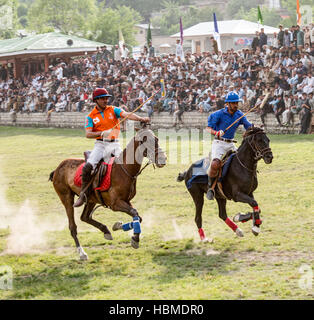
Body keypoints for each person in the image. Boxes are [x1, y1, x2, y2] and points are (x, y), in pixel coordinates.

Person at [73, 88, 150, 207]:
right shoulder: (91, 116)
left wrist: (140, 119)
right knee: (88, 166)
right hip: (100, 145)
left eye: (106, 98)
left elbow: (127, 115)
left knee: (125, 165)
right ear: (96, 100)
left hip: (114, 144)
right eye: (103, 98)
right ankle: (83, 194)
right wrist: (102, 133)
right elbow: (88, 134)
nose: (106, 100)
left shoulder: (113, 109)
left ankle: (124, 189)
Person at [205, 91, 252, 200]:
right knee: (215, 164)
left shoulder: (239, 114)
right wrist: (216, 132)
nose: (236, 105)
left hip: (231, 143)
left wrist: (255, 127)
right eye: (233, 103)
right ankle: (210, 188)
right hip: (219, 143)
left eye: (237, 102)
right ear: (227, 104)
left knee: (242, 161)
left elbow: (248, 126)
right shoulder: (218, 114)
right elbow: (208, 128)